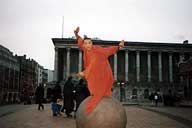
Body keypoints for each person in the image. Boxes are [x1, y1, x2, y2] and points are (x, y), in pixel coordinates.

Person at [74, 27, 125, 114]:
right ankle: (99, 94)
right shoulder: (85, 48)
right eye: (85, 44)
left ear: (92, 44)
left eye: (89, 43)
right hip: (94, 72)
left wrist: (118, 47)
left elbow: (108, 50)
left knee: (100, 89)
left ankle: (101, 96)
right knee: (93, 86)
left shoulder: (97, 50)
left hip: (102, 70)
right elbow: (80, 42)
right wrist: (76, 34)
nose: (87, 45)